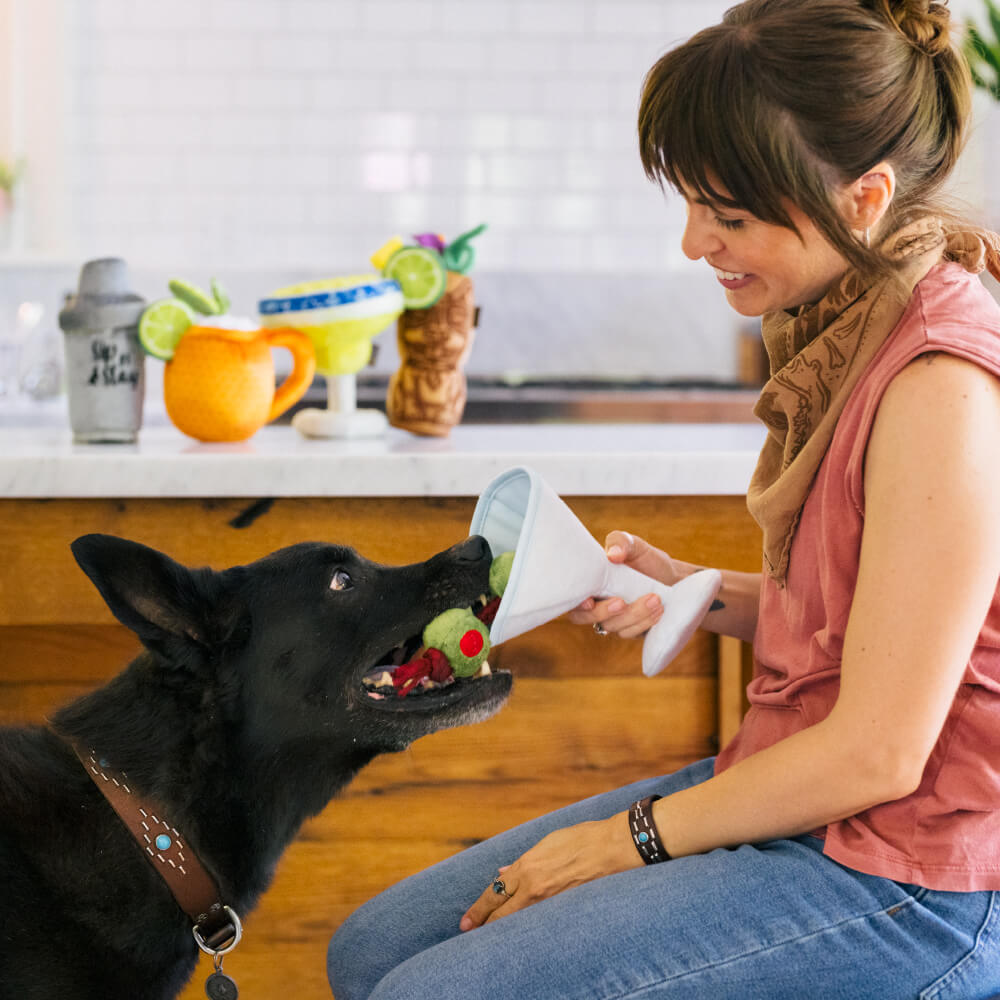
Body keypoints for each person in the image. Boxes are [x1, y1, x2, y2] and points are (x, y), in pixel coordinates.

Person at [327, 1, 1000, 996]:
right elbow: (885, 627)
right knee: (371, 950)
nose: (693, 242)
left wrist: (620, 841)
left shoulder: (938, 381)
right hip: (800, 796)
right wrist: (704, 589)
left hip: (910, 877)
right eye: (689, 203)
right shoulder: (851, 319)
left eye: (728, 215)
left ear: (864, 199)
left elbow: (881, 749)